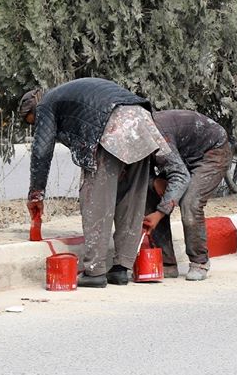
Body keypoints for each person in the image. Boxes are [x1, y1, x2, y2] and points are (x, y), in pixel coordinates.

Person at [19, 78, 170, 288]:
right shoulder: (67, 93)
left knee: (96, 200)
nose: (37, 126)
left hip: (110, 124)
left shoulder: (45, 104)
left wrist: (36, 193)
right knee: (132, 197)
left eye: (34, 122)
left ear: (34, 108)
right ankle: (121, 268)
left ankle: (95, 271)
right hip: (141, 121)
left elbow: (41, 151)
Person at [144, 109, 231, 281]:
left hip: (212, 152)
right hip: (182, 156)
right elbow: (137, 174)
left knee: (190, 203)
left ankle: (199, 261)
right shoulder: (131, 139)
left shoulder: (156, 135)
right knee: (150, 194)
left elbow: (180, 176)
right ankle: (167, 263)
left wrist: (160, 213)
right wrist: (154, 182)